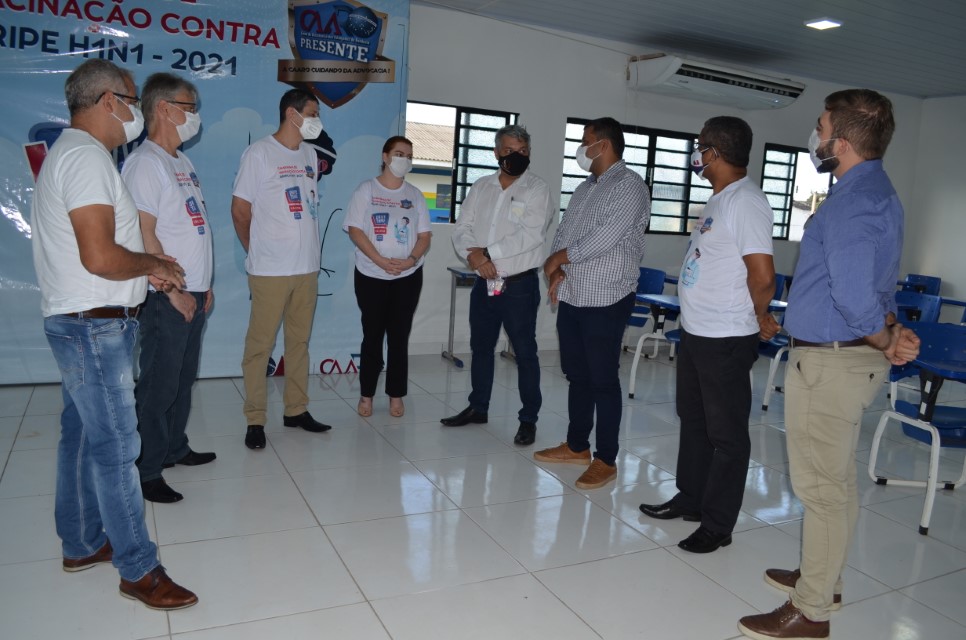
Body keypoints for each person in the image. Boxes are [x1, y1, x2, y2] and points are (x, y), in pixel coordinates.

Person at [737, 89, 920, 640]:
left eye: (820, 128)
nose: (815, 136)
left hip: (832, 364)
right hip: (844, 359)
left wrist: (884, 335)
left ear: (839, 142)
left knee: (820, 488)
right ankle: (825, 577)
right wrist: (890, 331)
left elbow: (856, 296)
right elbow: (878, 285)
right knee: (835, 481)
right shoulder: (877, 193)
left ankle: (811, 610)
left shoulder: (853, 202)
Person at [31, 58, 197, 609]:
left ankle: (82, 542)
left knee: (81, 435)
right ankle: (138, 569)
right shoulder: (85, 158)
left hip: (81, 319)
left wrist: (146, 270)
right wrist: (154, 262)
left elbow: (99, 254)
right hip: (94, 326)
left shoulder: (74, 154)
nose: (135, 112)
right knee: (117, 448)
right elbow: (100, 256)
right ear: (109, 101)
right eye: (130, 100)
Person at [638, 116, 779, 553]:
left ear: (714, 153)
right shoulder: (719, 199)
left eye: (700, 147)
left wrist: (758, 316)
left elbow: (763, 276)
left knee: (727, 435)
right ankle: (692, 498)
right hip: (698, 332)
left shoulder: (746, 202)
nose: (696, 154)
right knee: (694, 421)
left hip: (726, 337)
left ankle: (718, 524)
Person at [533, 117, 650, 489]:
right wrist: (556, 268)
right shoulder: (585, 188)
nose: (581, 149)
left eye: (586, 141)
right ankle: (577, 446)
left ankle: (606, 459)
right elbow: (564, 232)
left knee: (602, 379)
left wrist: (558, 259)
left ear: (604, 145)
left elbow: (605, 237)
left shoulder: (630, 186)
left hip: (607, 296)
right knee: (577, 375)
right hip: (574, 295)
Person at [121, 73, 216, 504]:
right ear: (164, 108)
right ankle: (146, 469)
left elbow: (192, 225)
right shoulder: (146, 163)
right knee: (159, 383)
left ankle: (174, 447)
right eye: (189, 107)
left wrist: (203, 284)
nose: (195, 116)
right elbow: (143, 232)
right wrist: (170, 290)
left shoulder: (181, 161)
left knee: (182, 377)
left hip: (192, 289)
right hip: (166, 295)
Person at [232, 88, 332, 450]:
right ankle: (255, 419)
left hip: (307, 268)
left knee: (299, 343)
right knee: (260, 347)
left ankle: (296, 410)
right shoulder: (259, 153)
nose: (317, 120)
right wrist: (255, 248)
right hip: (270, 270)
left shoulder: (309, 154)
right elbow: (240, 209)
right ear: (292, 114)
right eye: (313, 113)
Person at [442, 124, 553, 445]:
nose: (516, 156)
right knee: (481, 347)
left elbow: (531, 235)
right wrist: (474, 257)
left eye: (523, 151)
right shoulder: (482, 186)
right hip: (484, 283)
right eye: (509, 151)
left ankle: (528, 419)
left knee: (525, 352)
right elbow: (463, 227)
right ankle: (478, 407)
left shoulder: (537, 189)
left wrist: (487, 253)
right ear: (496, 153)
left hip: (518, 286)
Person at [343, 136, 432, 418]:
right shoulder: (366, 190)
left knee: (399, 336)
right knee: (372, 335)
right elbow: (355, 230)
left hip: (408, 276)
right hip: (371, 274)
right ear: (385, 156)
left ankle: (396, 395)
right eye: (399, 154)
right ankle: (366, 395)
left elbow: (424, 236)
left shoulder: (415, 195)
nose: (405, 159)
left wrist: (410, 260)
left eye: (409, 155)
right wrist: (379, 260)